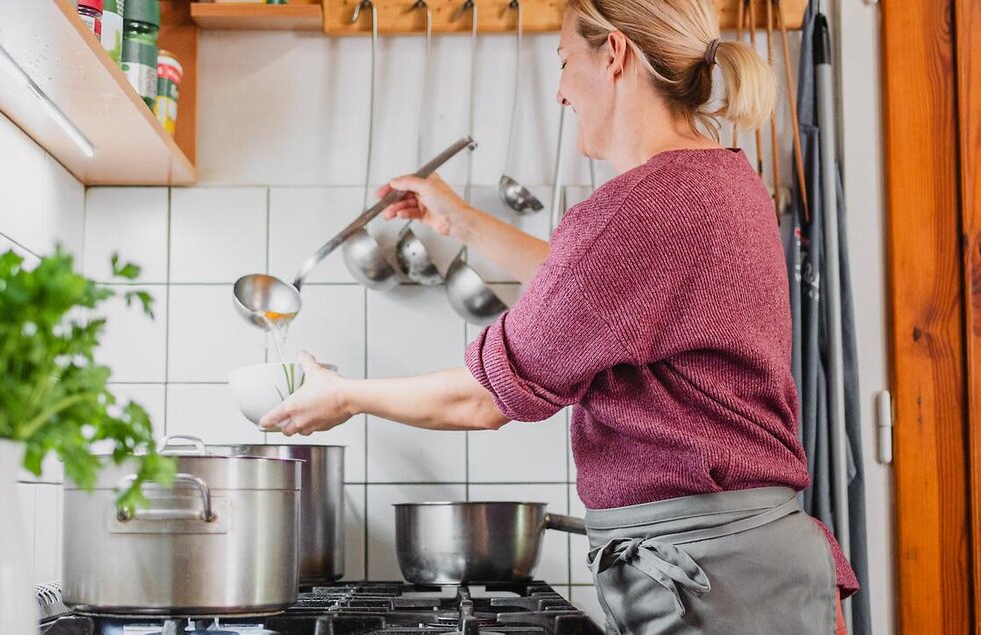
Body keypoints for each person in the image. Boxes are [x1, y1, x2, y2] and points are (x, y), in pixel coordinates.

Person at [260, 0, 857, 631]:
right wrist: (457, 219)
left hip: (714, 581)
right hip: (755, 565)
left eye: (566, 60)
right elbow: (596, 290)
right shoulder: (722, 181)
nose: (561, 90)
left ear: (615, 55)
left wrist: (343, 395)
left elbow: (480, 402)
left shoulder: (641, 211)